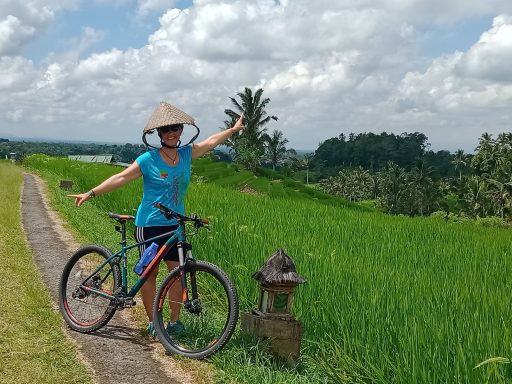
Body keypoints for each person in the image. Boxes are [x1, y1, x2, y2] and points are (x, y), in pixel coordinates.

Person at [69, 101, 244, 336]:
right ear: (158, 133)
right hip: (149, 225)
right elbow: (120, 178)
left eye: (176, 129)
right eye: (166, 130)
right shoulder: (148, 159)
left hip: (174, 225)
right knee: (149, 274)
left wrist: (233, 130)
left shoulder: (186, 154)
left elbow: (211, 142)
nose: (172, 133)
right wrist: (91, 193)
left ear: (182, 131)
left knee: (176, 274)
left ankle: (174, 322)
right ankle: (154, 321)